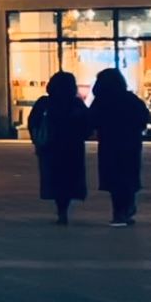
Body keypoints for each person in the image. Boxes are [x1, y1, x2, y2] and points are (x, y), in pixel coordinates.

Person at [89, 67, 151, 227]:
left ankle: (119, 211)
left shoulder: (101, 101)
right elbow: (144, 118)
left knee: (114, 179)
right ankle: (127, 208)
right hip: (130, 144)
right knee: (128, 176)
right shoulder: (131, 99)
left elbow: (91, 120)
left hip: (109, 144)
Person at [28, 71, 89, 224]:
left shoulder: (45, 102)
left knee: (55, 177)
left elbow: (33, 122)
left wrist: (37, 140)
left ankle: (60, 208)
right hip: (72, 147)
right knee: (69, 178)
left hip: (50, 146)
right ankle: (64, 207)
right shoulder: (75, 103)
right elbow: (87, 123)